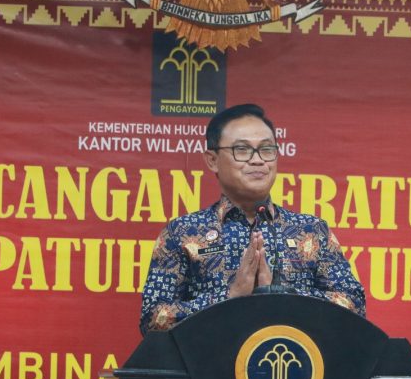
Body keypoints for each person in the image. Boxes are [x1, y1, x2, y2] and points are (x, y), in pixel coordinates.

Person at [139, 103, 365, 335]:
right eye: (242, 150)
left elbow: (354, 306)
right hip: (211, 357)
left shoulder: (311, 231)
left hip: (293, 356)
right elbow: (153, 320)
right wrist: (230, 296)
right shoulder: (183, 232)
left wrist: (281, 294)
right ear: (212, 160)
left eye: (266, 149)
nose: (258, 160)